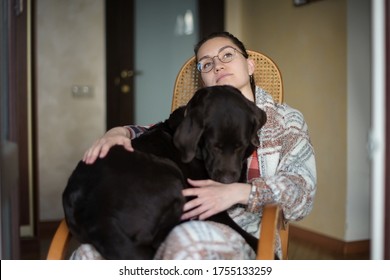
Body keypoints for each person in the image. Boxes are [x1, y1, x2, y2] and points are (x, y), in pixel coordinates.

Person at [71, 31, 317, 260]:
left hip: (248, 229)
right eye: (207, 63)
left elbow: (302, 192)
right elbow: (160, 132)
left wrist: (238, 192)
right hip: (175, 216)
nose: (218, 65)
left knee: (187, 239)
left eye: (227, 55)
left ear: (249, 65)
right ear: (204, 79)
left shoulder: (286, 121)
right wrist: (119, 131)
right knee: (88, 253)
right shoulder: (198, 115)